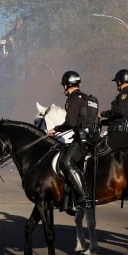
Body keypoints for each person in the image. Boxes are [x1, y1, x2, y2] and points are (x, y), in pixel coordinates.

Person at [46, 70, 99, 214]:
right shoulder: (90, 99)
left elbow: (70, 122)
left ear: (66, 85)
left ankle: (83, 197)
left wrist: (55, 129)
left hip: (82, 140)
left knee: (66, 162)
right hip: (94, 138)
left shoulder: (73, 98)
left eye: (64, 85)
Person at [99, 69, 128, 153]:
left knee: (100, 150)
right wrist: (103, 122)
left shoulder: (125, 94)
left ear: (119, 82)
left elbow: (120, 112)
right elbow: (124, 116)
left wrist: (102, 114)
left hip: (123, 132)